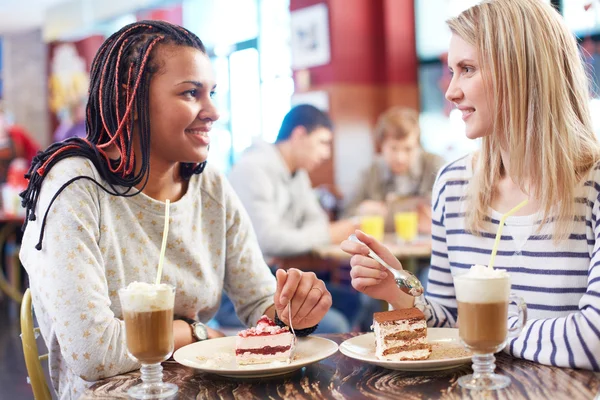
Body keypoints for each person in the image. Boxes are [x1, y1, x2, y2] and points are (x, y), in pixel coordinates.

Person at [19, 21, 332, 398]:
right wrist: (195, 331)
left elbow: (260, 304)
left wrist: (292, 311)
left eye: (212, 93)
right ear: (129, 99)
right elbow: (94, 353)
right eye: (190, 93)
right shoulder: (74, 187)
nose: (213, 111)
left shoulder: (210, 186)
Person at [342, 0, 600, 371]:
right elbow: (450, 322)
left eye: (467, 69)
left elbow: (592, 340)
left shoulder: (594, 188)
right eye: (452, 71)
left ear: (522, 72)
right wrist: (402, 297)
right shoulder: (454, 185)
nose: (450, 92)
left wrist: (485, 330)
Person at [225, 104, 357, 332]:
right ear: (299, 135)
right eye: (322, 142)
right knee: (335, 323)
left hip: (281, 280)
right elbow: (269, 240)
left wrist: (294, 239)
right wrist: (328, 234)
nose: (326, 154)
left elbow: (315, 220)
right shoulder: (251, 169)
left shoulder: (298, 173)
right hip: (241, 293)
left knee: (356, 302)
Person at [343, 106, 445, 234]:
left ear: (418, 146)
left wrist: (385, 211)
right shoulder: (370, 172)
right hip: (380, 249)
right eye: (393, 148)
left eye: (408, 149)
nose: (400, 158)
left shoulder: (435, 165)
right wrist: (361, 210)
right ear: (381, 146)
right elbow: (345, 216)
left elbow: (447, 214)